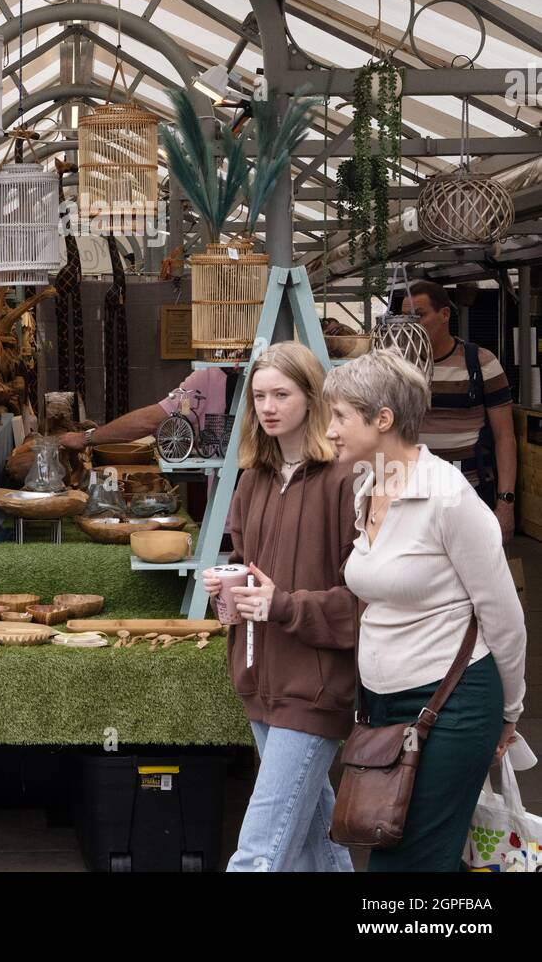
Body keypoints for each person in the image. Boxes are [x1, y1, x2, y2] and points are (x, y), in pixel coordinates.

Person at [323, 349, 526, 873]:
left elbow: (504, 617)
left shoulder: (449, 499)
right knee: (409, 849)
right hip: (384, 709)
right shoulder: (366, 487)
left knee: (407, 865)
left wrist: (510, 712)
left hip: (452, 706)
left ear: (383, 419)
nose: (331, 430)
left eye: (341, 416)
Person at [202, 342, 359, 873]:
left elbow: (360, 600)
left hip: (314, 686)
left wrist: (282, 605)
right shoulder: (252, 480)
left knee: (258, 852)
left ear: (313, 397)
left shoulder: (346, 480)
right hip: (258, 680)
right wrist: (230, 588)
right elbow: (251, 565)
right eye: (259, 395)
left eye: (281, 394)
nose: (267, 407)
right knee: (316, 836)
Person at [401, 279, 516, 541]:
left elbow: (505, 438)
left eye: (419, 315)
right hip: (413, 493)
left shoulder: (480, 362)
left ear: (444, 314)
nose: (411, 325)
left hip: (469, 491)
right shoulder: (398, 367)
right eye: (405, 318)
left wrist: (506, 501)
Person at [57, 365, 234, 451]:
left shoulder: (207, 379)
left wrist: (85, 438)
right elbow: (179, 413)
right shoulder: (208, 381)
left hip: (232, 512)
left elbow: (148, 421)